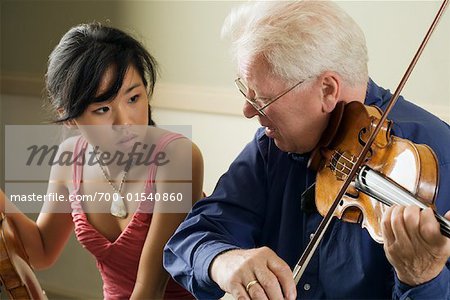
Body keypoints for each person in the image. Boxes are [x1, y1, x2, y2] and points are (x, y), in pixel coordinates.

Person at [163, 1, 450, 299]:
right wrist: (223, 262)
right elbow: (188, 239)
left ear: (327, 89)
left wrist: (421, 278)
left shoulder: (435, 158)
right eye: (245, 91)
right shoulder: (272, 146)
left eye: (261, 98)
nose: (248, 111)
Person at [1, 23, 203, 299]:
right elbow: (42, 251)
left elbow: (150, 289)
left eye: (134, 97)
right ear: (69, 115)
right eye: (103, 109)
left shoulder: (178, 157)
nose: (125, 122)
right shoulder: (69, 158)